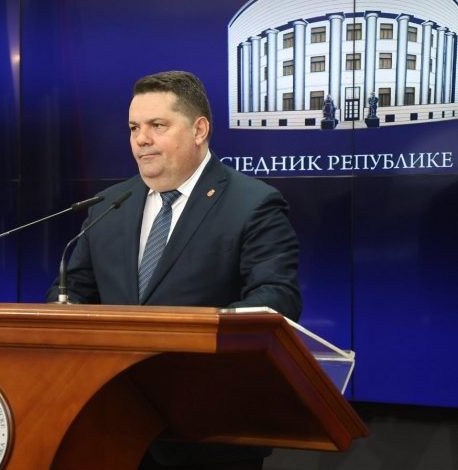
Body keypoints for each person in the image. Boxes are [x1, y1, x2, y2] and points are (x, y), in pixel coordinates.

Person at [47, 71, 301, 469]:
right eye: (134, 128)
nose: (141, 139)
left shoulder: (253, 204)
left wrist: (191, 343)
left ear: (199, 130)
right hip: (112, 428)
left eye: (157, 125)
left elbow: (276, 298)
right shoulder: (108, 205)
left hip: (207, 434)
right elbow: (72, 291)